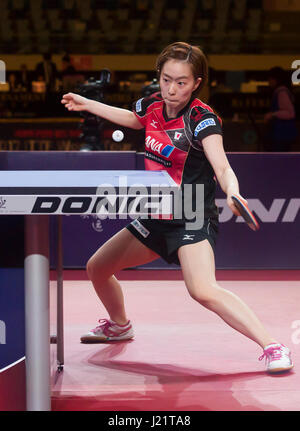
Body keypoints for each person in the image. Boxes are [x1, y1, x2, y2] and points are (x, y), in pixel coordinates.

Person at [61, 42, 293, 374]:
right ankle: (120, 324)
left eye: (181, 82)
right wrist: (88, 104)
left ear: (197, 82)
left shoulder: (203, 120)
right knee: (97, 267)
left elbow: (222, 167)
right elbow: (132, 118)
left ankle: (272, 345)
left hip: (191, 217)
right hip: (156, 214)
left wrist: (233, 191)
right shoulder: (153, 105)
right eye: (166, 79)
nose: (172, 89)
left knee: (202, 290)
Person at [264, 66, 298, 152]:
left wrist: (272, 115)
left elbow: (290, 113)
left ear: (276, 79)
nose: (269, 82)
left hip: (282, 134)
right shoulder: (283, 91)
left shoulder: (281, 91)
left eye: (270, 79)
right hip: (282, 134)